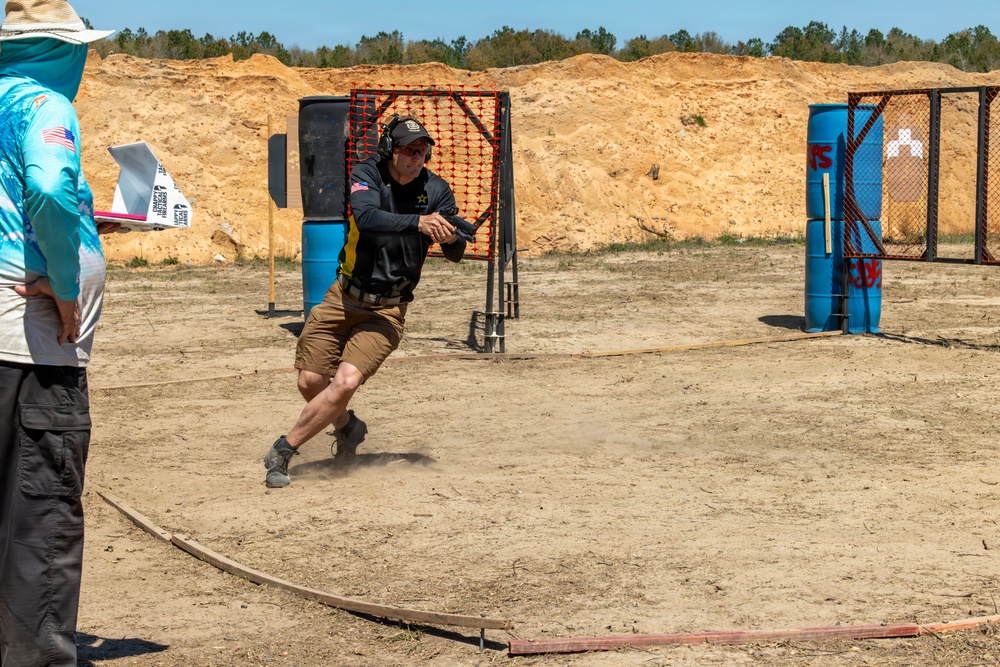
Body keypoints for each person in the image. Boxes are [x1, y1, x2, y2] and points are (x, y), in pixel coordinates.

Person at [0, 1, 116, 664]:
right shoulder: (45, 104)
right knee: (39, 531)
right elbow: (46, 188)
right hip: (33, 349)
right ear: (57, 49)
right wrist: (68, 287)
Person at [264, 115, 467, 488]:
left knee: (343, 383)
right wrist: (418, 223)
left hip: (387, 311)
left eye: (422, 150)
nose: (416, 157)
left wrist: (450, 236)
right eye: (408, 149)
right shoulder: (368, 173)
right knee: (311, 382)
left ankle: (283, 450)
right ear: (389, 149)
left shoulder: (436, 189)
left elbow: (456, 252)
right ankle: (349, 429)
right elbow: (368, 216)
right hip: (343, 296)